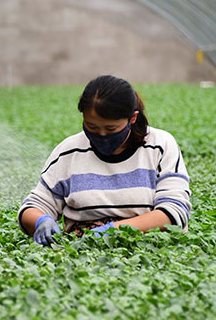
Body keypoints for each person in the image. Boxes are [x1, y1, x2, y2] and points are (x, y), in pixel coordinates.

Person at [19, 75, 191, 246]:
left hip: (147, 248)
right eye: (92, 126)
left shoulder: (159, 146)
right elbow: (35, 204)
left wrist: (111, 231)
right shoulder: (69, 151)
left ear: (132, 118)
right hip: (81, 252)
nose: (101, 135)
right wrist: (40, 220)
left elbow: (174, 212)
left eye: (111, 128)